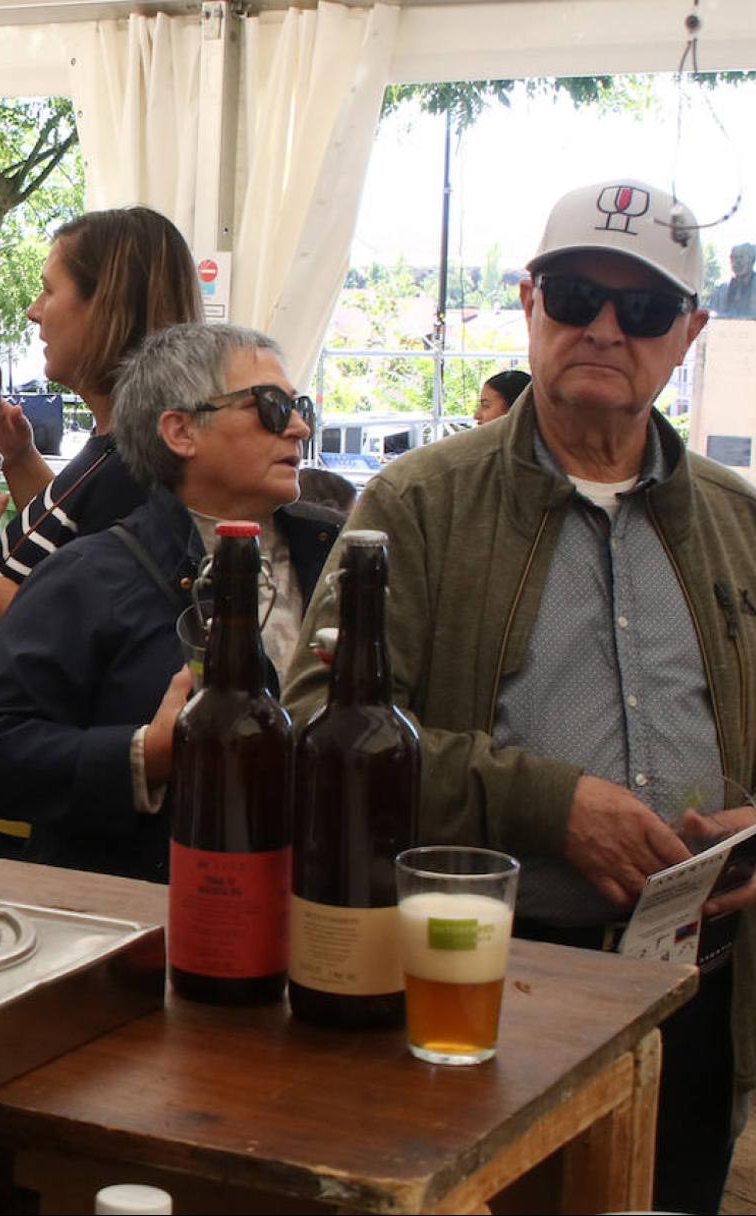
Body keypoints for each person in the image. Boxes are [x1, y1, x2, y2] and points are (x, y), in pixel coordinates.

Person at [282, 177, 756, 1216]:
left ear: (689, 332)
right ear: (530, 301)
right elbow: (312, 724)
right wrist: (547, 803)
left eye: (639, 310)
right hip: (489, 979)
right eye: (578, 293)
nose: (602, 328)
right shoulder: (416, 503)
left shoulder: (737, 518)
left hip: (697, 994)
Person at [0, 323, 338, 879]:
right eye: (270, 406)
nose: (298, 426)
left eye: (298, 404)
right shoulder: (85, 576)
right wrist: (148, 753)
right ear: (180, 431)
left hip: (328, 905)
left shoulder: (342, 556)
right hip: (153, 918)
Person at [0, 207, 203, 630]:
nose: (33, 311)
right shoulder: (112, 446)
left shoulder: (135, 472)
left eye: (48, 292)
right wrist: (20, 459)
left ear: (106, 307)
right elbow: (70, 540)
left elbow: (70, 639)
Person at [709, 241, 755, 320]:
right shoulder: (720, 288)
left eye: (741, 257)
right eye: (733, 257)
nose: (737, 262)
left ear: (752, 260)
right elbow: (712, 315)